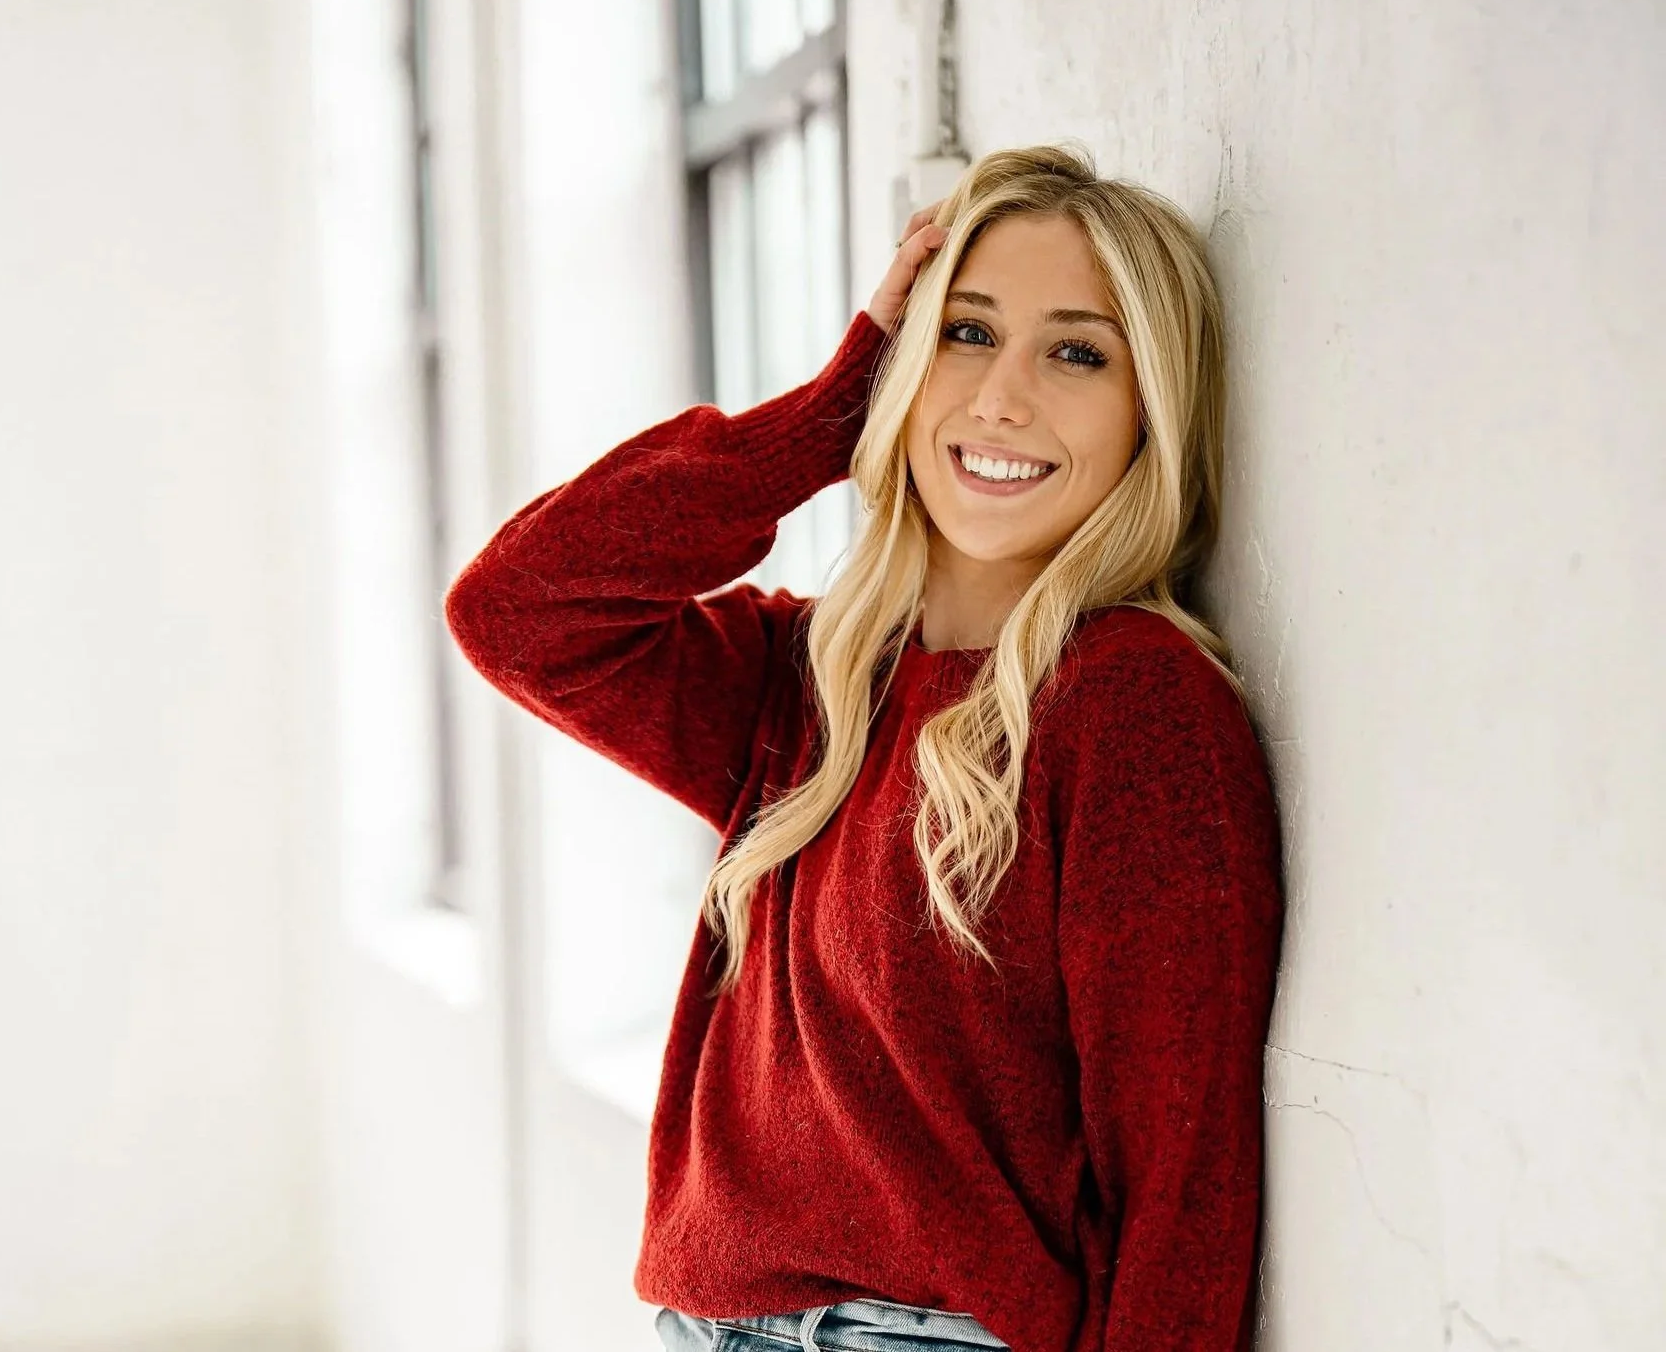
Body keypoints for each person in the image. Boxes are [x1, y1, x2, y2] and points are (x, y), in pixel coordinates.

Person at [443, 144, 1285, 1352]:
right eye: (964, 332)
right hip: (706, 1323)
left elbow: (1179, 1176)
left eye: (1076, 352)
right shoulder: (806, 687)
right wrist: (830, 415)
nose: (1000, 398)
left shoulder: (1132, 706)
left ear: (1151, 413)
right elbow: (518, 605)